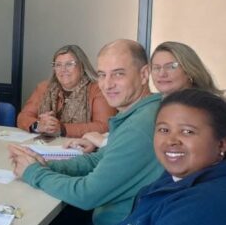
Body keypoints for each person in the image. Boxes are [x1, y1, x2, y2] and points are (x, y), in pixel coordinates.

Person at [7, 39, 163, 225]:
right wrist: (46, 164)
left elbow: (87, 194)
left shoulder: (139, 126)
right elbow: (97, 160)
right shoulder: (137, 114)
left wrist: (34, 173)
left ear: (143, 74)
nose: (107, 84)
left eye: (118, 74)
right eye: (102, 75)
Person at [61, 89, 226, 225]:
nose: (171, 141)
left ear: (221, 144)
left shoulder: (201, 208)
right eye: (163, 130)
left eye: (187, 132)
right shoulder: (171, 179)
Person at [76, 40, 221, 152]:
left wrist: (103, 142)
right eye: (156, 68)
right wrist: (102, 139)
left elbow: (163, 147)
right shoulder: (161, 102)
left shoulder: (200, 108)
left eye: (171, 66)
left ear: (189, 70)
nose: (162, 73)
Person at [17, 44, 116, 138]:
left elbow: (104, 126)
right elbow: (23, 117)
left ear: (82, 66)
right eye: (58, 65)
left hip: (83, 146)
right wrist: (38, 125)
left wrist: (62, 129)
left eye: (69, 64)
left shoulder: (98, 89)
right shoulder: (44, 88)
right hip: (45, 145)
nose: (63, 69)